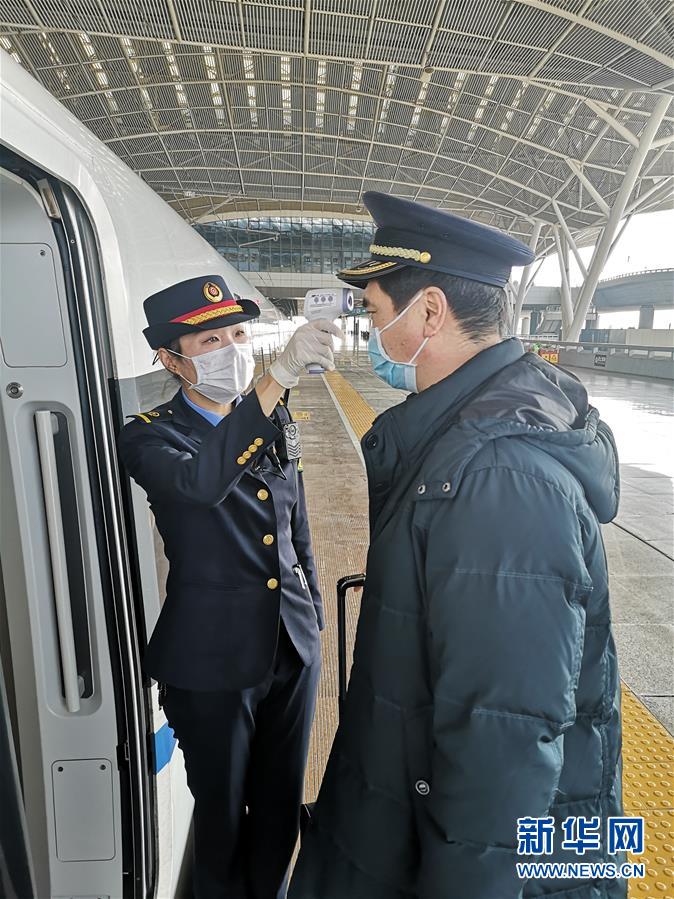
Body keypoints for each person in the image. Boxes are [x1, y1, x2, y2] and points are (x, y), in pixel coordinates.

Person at [290, 193, 624, 899]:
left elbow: (501, 749)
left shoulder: (502, 481)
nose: (374, 332)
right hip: (408, 826)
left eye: (378, 314)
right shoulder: (462, 439)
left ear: (430, 312)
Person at [118, 275, 341, 899]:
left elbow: (294, 522)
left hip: (291, 646)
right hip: (211, 659)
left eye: (239, 334)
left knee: (277, 812)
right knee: (221, 818)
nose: (232, 349)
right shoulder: (149, 433)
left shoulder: (269, 413)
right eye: (210, 339)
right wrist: (274, 382)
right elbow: (199, 486)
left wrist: (315, 612)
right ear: (170, 359)